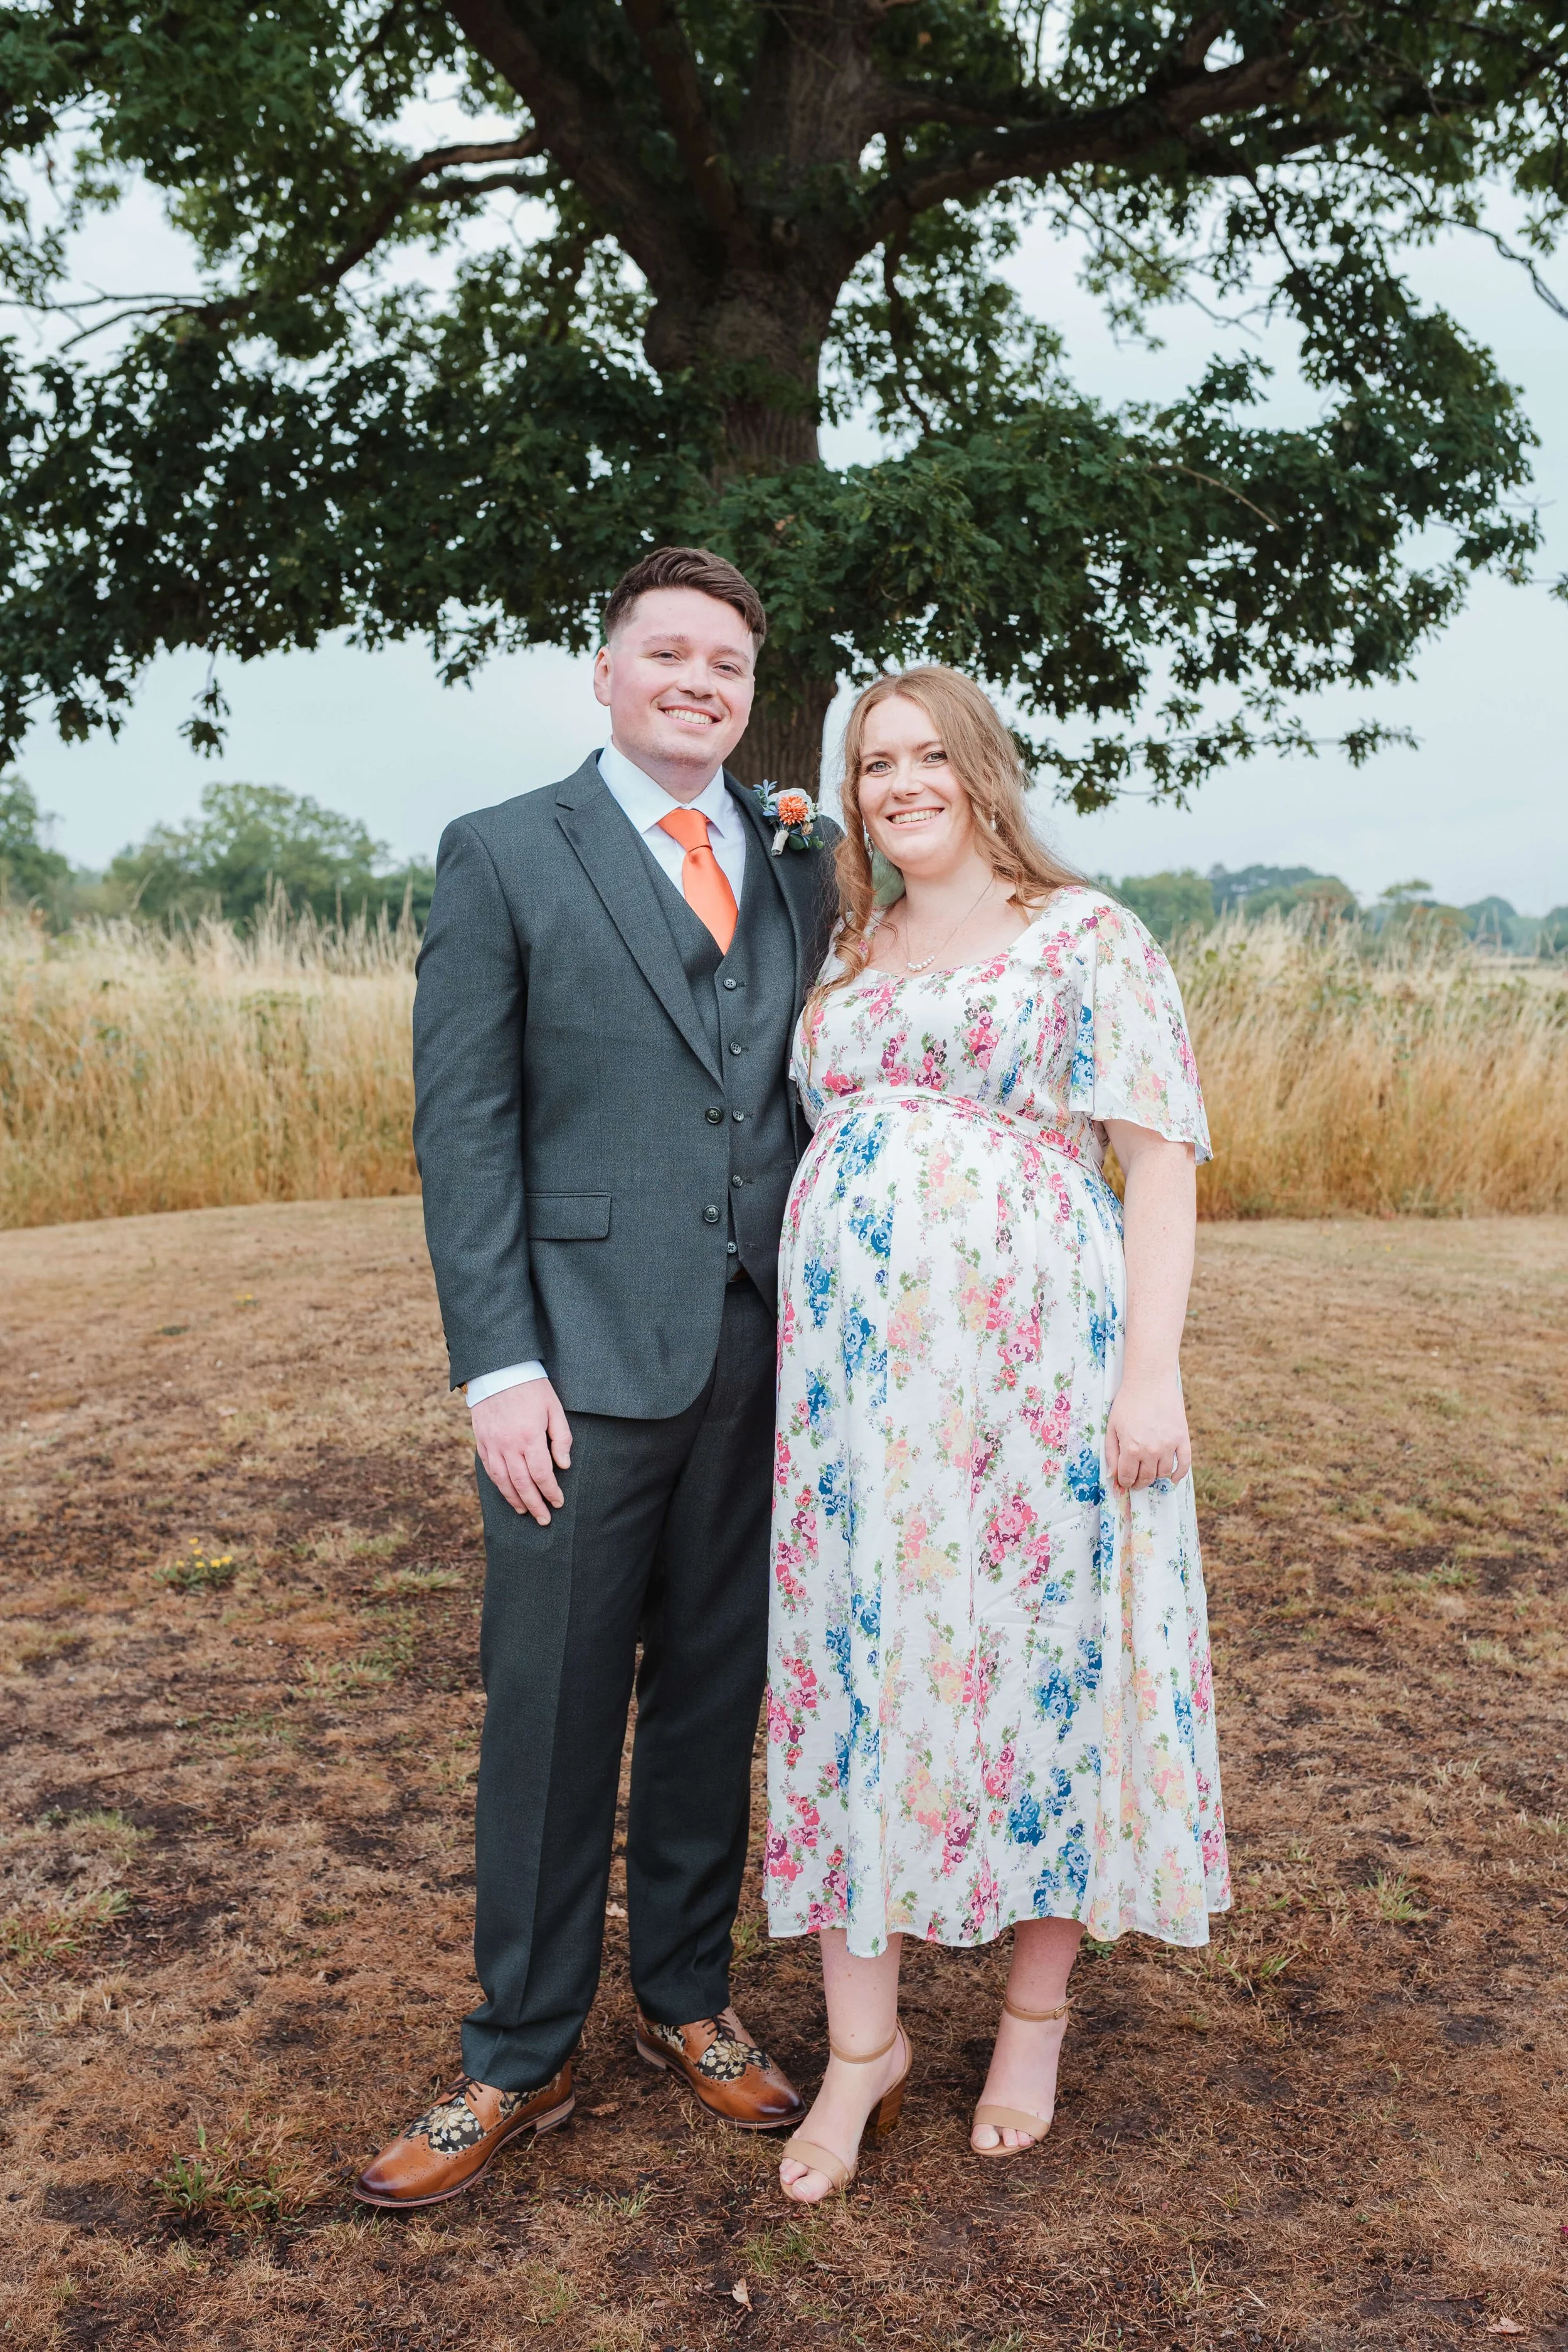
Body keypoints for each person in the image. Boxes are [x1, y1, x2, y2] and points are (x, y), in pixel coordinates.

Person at [354, 546, 840, 2210]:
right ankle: (517, 2045)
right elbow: (464, 1125)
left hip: (758, 1352)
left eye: (724, 661)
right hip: (569, 1361)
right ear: (606, 670)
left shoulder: (797, 862)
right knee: (551, 1708)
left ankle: (685, 1995)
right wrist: (496, 1362)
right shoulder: (505, 851)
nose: (698, 679)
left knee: (715, 1688)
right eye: (667, 654)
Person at [763, 667, 1230, 2203]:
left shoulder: (1085, 936)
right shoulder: (844, 948)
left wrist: (1146, 1377)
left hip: (1037, 1378)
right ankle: (863, 2052)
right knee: (856, 1675)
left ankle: (1031, 2025)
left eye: (923, 757)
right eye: (870, 762)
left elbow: (1154, 1168)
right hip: (854, 1408)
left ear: (979, 771)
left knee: (1042, 1662)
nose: (897, 784)